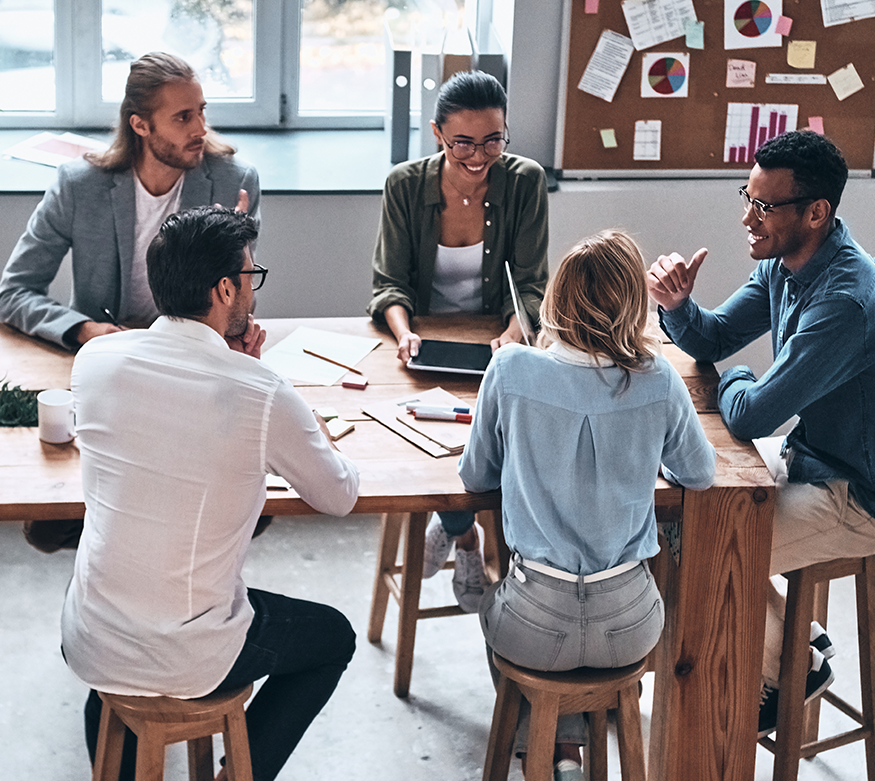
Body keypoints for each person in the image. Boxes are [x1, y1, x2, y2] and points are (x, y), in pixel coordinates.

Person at [61, 205, 360, 781]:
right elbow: (337, 495)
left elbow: (171, 424)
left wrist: (234, 372)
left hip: (93, 634)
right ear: (225, 288)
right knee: (332, 637)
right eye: (251, 275)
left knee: (117, 678)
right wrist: (300, 420)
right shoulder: (261, 391)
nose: (253, 287)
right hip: (189, 653)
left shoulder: (94, 359)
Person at [645, 130, 875, 736]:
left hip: (862, 495)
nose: (748, 218)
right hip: (811, 459)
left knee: (694, 554)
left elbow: (750, 415)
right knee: (674, 518)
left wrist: (739, 377)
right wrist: (676, 305)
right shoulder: (785, 262)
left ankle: (790, 665)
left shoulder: (845, 302)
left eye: (764, 206)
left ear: (817, 213)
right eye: (746, 198)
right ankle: (796, 630)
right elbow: (714, 338)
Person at [460, 230, 716, 777]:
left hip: (534, 619)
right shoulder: (659, 380)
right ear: (633, 303)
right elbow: (699, 473)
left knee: (490, 604)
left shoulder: (510, 370)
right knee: (596, 633)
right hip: (631, 623)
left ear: (556, 298)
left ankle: (549, 747)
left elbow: (474, 473)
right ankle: (572, 750)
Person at [0, 51, 261, 553]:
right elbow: (13, 293)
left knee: (238, 502)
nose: (200, 127)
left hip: (191, 371)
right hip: (112, 368)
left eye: (202, 111)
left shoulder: (232, 182)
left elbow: (241, 302)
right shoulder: (79, 187)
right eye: (183, 117)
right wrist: (82, 330)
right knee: (53, 524)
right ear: (140, 124)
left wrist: (232, 248)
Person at [368, 69, 551, 608]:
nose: (479, 155)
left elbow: (534, 284)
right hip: (422, 350)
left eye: (494, 139)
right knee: (436, 441)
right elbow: (388, 284)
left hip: (497, 346)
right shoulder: (405, 184)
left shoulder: (525, 181)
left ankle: (453, 530)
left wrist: (515, 334)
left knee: (499, 437)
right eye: (463, 142)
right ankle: (464, 535)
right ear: (437, 134)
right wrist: (404, 335)